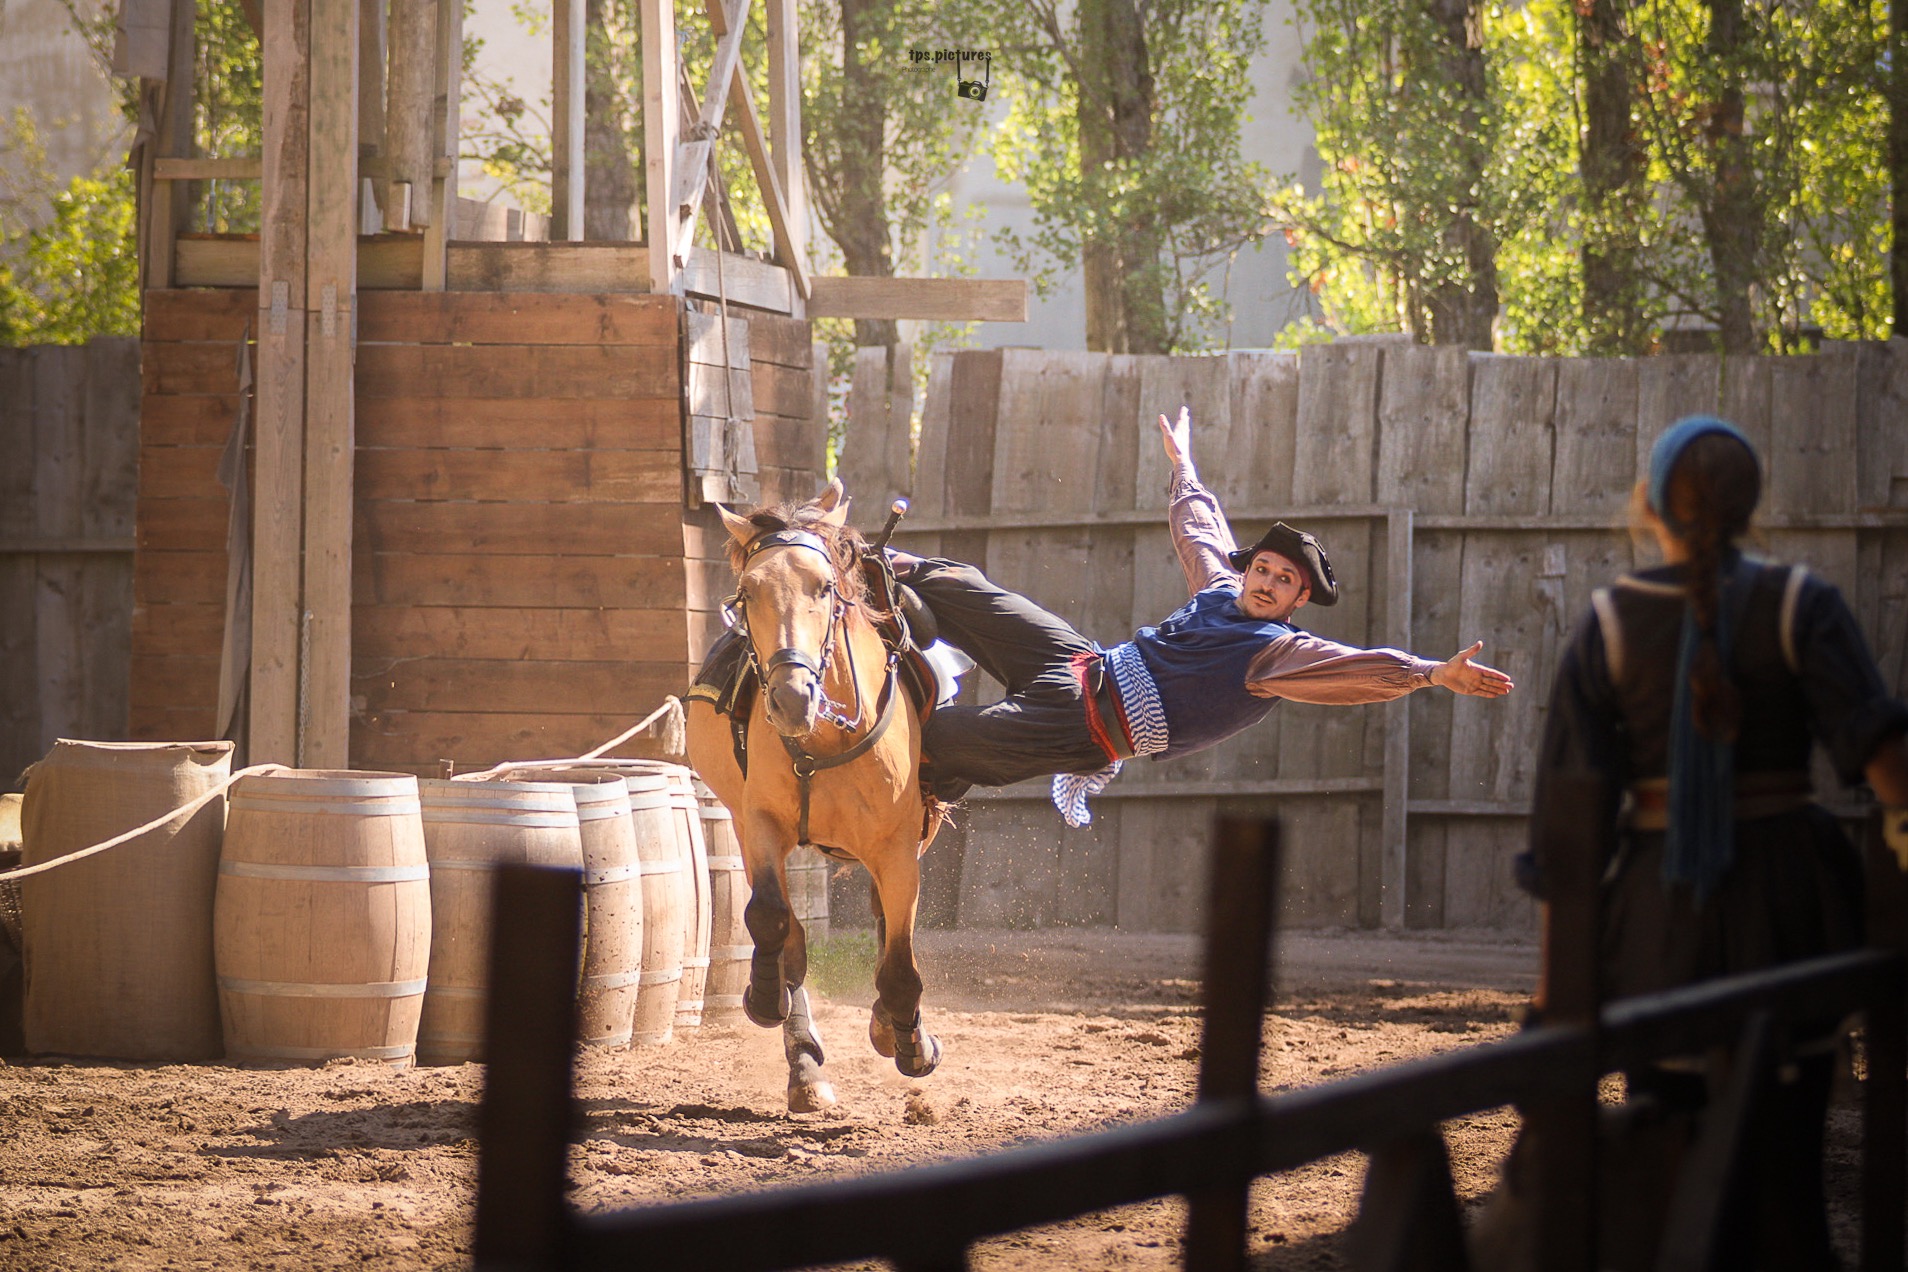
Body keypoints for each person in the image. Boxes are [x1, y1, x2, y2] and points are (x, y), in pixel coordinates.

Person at [1518, 415, 1908, 1270]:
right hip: (1791, 916)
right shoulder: (1804, 604)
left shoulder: (1610, 625)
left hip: (1663, 931)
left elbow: (1566, 839)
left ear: (1650, 505)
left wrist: (1555, 999)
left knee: (1672, 1167)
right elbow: (1890, 771)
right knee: (1790, 1179)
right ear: (1750, 504)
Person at [893, 408, 1514, 825]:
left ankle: (900, 797)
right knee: (959, 583)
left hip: (1085, 730)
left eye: (1284, 581)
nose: (1267, 583)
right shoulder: (1223, 589)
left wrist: (1431, 673)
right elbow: (1200, 532)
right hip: (1080, 663)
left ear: (1299, 601)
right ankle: (854, 563)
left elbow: (1353, 670)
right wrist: (1182, 464)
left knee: (936, 742)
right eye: (1263, 569)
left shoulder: (1274, 655)